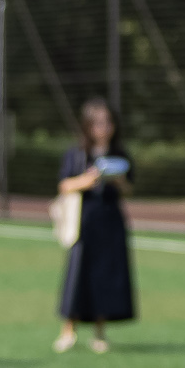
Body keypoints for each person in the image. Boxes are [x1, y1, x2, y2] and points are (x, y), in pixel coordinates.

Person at [55, 98, 135, 354]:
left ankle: (100, 332)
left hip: (110, 221)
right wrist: (87, 181)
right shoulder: (77, 153)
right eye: (98, 122)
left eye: (108, 122)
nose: (103, 127)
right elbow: (64, 185)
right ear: (88, 125)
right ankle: (68, 330)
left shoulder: (120, 154)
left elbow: (129, 189)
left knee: (106, 275)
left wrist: (118, 181)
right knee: (77, 274)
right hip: (84, 220)